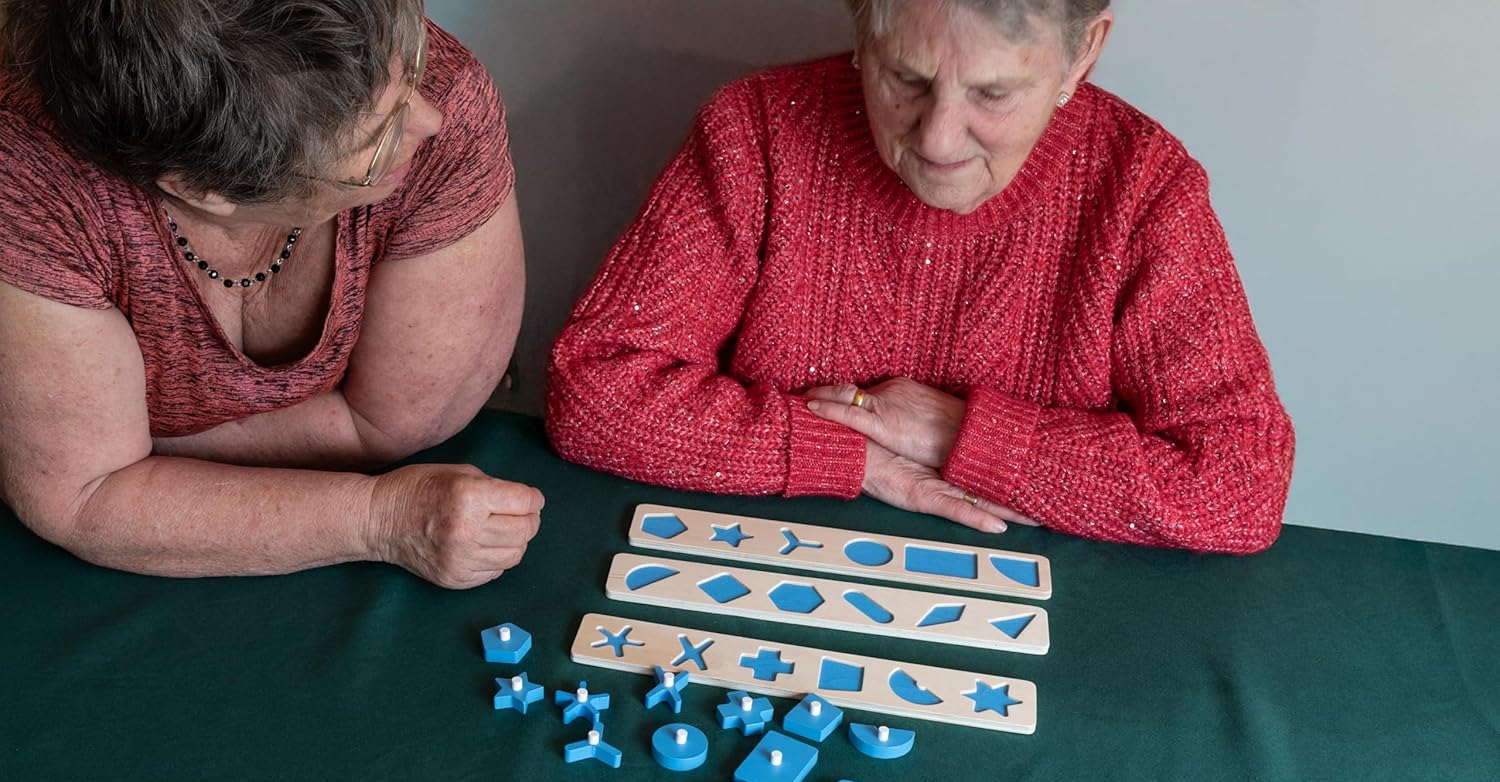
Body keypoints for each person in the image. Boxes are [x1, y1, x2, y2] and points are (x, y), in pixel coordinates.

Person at [546, 0, 1294, 554]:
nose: (937, 138)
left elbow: (1242, 483)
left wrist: (958, 432)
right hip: (773, 573)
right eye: (904, 77)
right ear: (860, 24)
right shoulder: (755, 133)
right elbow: (592, 390)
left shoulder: (1141, 188)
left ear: (1082, 55)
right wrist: (854, 455)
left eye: (992, 93)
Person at [0, 0, 541, 588]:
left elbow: (393, 424)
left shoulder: (437, 96)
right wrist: (382, 519)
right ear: (205, 189)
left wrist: (129, 455)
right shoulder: (24, 177)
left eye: (407, 67)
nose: (428, 120)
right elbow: (82, 498)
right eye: (379, 142)